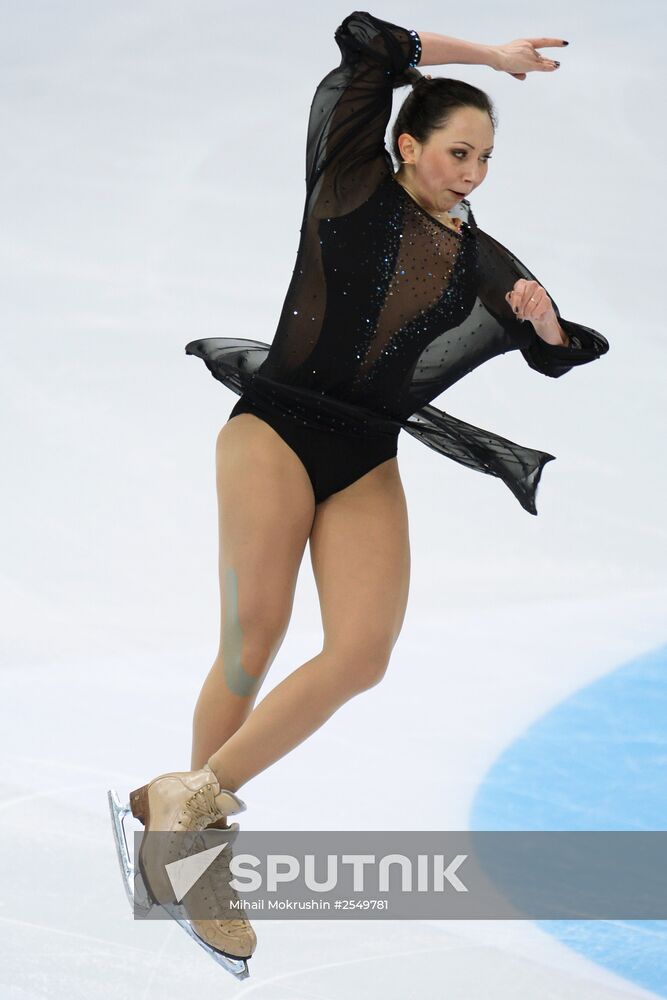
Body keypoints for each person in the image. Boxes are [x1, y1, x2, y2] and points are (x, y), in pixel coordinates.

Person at [125, 10, 609, 972]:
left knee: (361, 655)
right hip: (274, 426)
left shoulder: (479, 256)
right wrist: (495, 59)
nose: (471, 173)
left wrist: (547, 326)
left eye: (483, 159)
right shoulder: (348, 176)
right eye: (457, 152)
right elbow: (368, 37)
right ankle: (195, 858)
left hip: (364, 453)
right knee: (252, 637)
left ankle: (190, 796)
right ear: (406, 143)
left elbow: (556, 356)